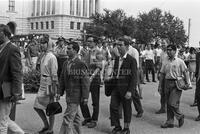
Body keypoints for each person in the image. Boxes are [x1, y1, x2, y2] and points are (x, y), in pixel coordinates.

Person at [59, 42, 90, 134]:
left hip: (76, 96)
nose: (67, 50)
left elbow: (85, 82)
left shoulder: (80, 64)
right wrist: (59, 92)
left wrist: (85, 96)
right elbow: (62, 78)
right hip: (69, 95)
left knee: (67, 119)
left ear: (75, 50)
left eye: (69, 49)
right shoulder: (65, 63)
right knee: (76, 119)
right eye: (67, 48)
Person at [0, 24, 24, 134]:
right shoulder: (2, 47)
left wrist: (16, 92)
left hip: (6, 91)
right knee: (4, 119)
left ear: (4, 34)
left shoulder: (12, 49)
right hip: (1, 90)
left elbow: (17, 72)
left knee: (2, 122)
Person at [159, 45, 190, 128]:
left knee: (172, 103)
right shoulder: (165, 60)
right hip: (167, 83)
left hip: (177, 84)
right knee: (168, 104)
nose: (168, 51)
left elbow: (186, 72)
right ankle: (170, 121)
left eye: (170, 50)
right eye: (167, 50)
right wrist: (160, 86)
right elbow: (162, 73)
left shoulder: (180, 61)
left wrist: (188, 83)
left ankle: (180, 116)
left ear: (175, 51)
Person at [110, 40, 137, 134]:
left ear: (126, 46)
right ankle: (117, 126)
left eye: (120, 45)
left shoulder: (132, 60)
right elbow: (115, 72)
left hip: (126, 88)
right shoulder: (117, 59)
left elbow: (134, 77)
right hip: (116, 87)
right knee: (113, 107)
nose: (118, 47)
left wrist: (130, 91)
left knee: (126, 108)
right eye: (117, 45)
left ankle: (126, 128)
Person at [33, 35, 58, 134]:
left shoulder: (52, 57)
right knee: (37, 106)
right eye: (41, 43)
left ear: (49, 44)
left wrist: (54, 89)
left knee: (51, 106)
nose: (41, 45)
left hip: (49, 83)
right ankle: (46, 125)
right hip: (42, 83)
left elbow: (54, 75)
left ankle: (50, 129)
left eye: (43, 43)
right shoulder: (44, 55)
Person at [80, 37, 102, 128]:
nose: (88, 43)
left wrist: (92, 77)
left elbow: (99, 67)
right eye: (87, 41)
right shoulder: (86, 52)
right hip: (86, 78)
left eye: (90, 41)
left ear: (95, 43)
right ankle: (87, 117)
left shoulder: (98, 52)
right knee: (82, 98)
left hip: (94, 79)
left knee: (95, 101)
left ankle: (94, 120)